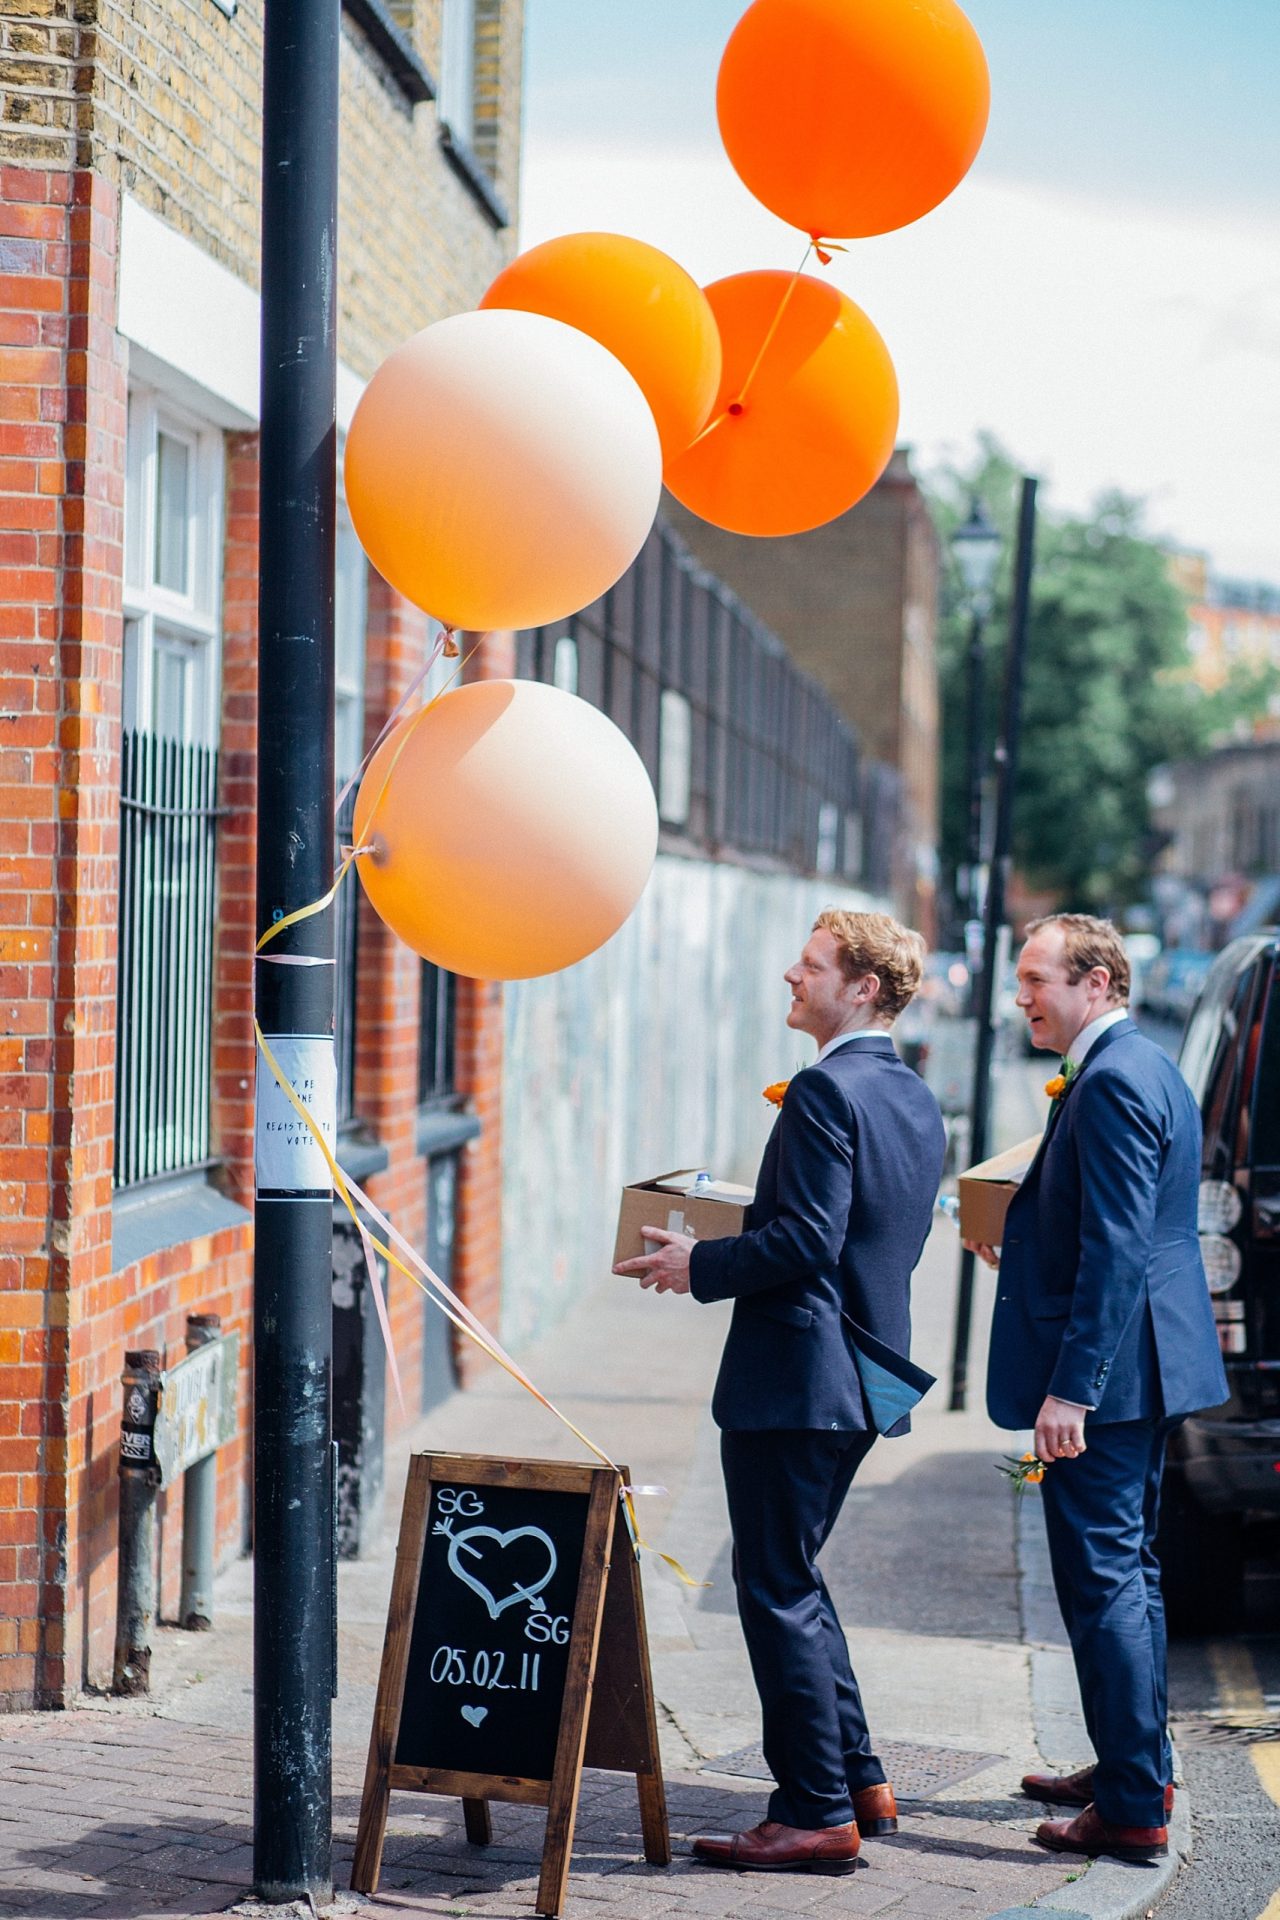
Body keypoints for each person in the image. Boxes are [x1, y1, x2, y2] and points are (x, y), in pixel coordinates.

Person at [614, 910, 945, 1875]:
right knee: (796, 1574)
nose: (789, 976)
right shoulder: (911, 1094)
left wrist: (698, 1260)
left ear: (864, 988)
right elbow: (860, 1229)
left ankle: (812, 1811)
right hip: (864, 1376)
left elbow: (808, 1239)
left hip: (800, 1382)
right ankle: (859, 1777)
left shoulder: (821, 1090)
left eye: (812, 966)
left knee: (773, 1589)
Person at [968, 913, 1228, 1863]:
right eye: (1023, 980)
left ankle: (1129, 1807)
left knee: (1103, 1581)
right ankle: (1135, 1763)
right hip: (1149, 1365)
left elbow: (1119, 1249)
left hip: (1112, 1381)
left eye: (1038, 979)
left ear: (1100, 984)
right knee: (1138, 1576)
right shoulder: (1143, 1064)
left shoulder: (1111, 1079)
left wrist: (1070, 1392)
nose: (1023, 996)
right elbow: (1105, 1223)